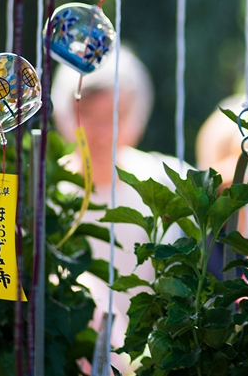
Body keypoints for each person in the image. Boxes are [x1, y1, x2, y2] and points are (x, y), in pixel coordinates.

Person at [52, 47, 186, 370]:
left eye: (115, 116)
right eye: (89, 116)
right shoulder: (49, 188)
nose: (102, 132)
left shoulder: (163, 179)